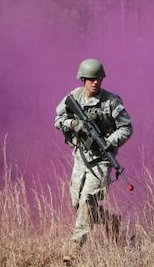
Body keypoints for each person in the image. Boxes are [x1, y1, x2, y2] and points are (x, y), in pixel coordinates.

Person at [54, 58, 133, 263]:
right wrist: (74, 124)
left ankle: (74, 249)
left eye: (98, 78)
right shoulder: (73, 97)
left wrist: (110, 141)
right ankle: (110, 220)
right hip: (81, 157)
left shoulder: (111, 101)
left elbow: (126, 128)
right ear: (83, 79)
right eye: (90, 79)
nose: (94, 82)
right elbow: (58, 121)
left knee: (88, 202)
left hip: (102, 160)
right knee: (76, 202)